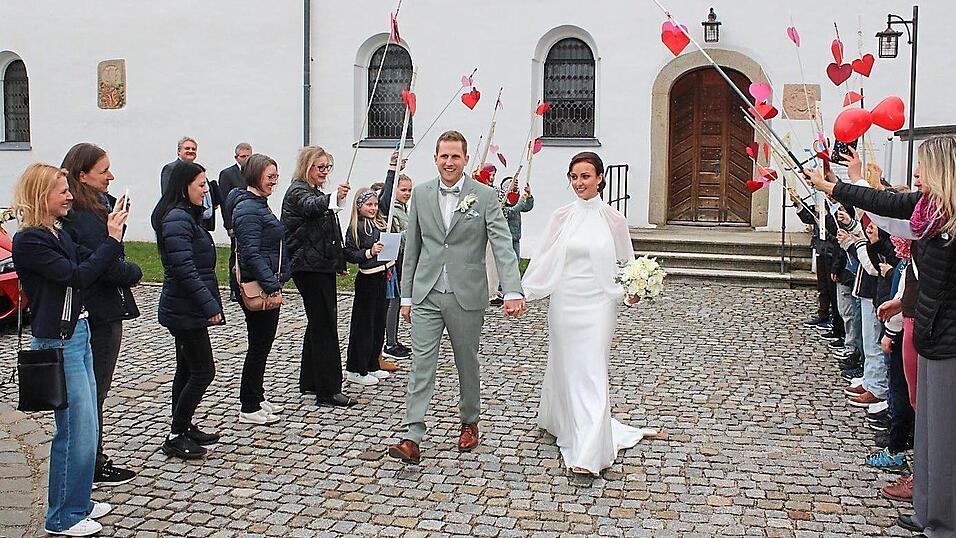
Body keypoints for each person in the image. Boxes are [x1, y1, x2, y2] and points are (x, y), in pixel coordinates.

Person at [808, 135, 956, 536]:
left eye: (924, 166)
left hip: (947, 338)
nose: (916, 174)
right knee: (928, 432)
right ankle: (928, 510)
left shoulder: (948, 222)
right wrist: (837, 186)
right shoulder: (928, 212)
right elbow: (885, 204)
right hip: (929, 332)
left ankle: (943, 522)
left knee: (943, 436)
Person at [387, 130, 525, 465]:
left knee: (467, 363)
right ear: (436, 159)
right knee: (421, 365)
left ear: (465, 159)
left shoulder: (484, 196)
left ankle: (469, 421)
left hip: (467, 295)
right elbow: (413, 250)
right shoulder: (420, 194)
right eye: (443, 156)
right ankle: (411, 435)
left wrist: (512, 289)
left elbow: (502, 244)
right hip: (427, 294)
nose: (449, 162)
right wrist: (406, 297)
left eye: (455, 156)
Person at [521, 152, 656, 476]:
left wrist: (635, 288)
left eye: (585, 176)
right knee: (567, 367)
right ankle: (565, 422)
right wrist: (524, 291)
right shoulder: (561, 216)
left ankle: (590, 450)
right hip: (566, 301)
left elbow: (627, 262)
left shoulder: (614, 220)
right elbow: (543, 258)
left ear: (599, 178)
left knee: (592, 369)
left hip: (599, 304)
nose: (579, 183)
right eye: (574, 177)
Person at [12, 163, 129, 536]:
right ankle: (62, 516)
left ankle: (79, 500)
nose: (69, 197)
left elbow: (93, 262)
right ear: (40, 195)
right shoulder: (30, 239)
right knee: (74, 431)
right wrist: (110, 240)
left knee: (88, 425)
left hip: (78, 334)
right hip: (57, 341)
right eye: (62, 191)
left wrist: (110, 240)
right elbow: (79, 274)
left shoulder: (57, 231)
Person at [60, 143, 142, 487]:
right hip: (98, 310)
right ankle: (90, 463)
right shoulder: (85, 216)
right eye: (103, 171)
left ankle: (92, 459)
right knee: (93, 392)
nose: (111, 176)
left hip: (101, 308)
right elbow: (105, 264)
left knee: (95, 391)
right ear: (83, 176)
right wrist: (133, 271)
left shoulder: (95, 209)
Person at [152, 161, 224, 460]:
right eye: (201, 184)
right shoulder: (177, 220)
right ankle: (176, 434)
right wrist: (209, 305)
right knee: (203, 371)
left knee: (186, 368)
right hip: (184, 307)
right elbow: (185, 270)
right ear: (185, 187)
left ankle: (182, 426)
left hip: (187, 306)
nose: (206, 190)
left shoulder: (186, 217)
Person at [281, 146, 357, 408]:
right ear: (307, 167)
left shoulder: (312, 191)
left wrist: (338, 262)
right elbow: (311, 207)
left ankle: (311, 381)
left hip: (319, 264)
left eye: (327, 167)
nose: (325, 172)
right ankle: (328, 389)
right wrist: (334, 197)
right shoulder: (299, 191)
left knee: (318, 323)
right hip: (309, 266)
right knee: (325, 325)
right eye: (320, 167)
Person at [227, 154, 290, 424]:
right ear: (255, 176)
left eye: (276, 176)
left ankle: (257, 395)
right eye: (269, 177)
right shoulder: (248, 209)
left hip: (267, 279)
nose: (274, 181)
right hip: (257, 285)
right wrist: (272, 285)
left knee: (262, 345)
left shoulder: (259, 205)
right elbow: (250, 253)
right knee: (258, 345)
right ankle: (249, 405)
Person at [343, 188, 396, 385]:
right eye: (369, 205)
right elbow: (349, 253)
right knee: (363, 325)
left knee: (378, 322)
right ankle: (356, 368)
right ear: (359, 206)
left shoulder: (379, 222)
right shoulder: (356, 228)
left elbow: (387, 196)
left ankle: (373, 361)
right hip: (367, 279)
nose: (373, 208)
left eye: (375, 205)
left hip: (383, 275)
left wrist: (393, 168)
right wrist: (369, 252)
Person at [380, 166, 413, 361]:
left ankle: (394, 338)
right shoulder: (391, 209)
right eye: (403, 190)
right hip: (393, 259)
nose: (407, 193)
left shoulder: (405, 210)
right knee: (393, 301)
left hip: (403, 259)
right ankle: (389, 342)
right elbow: (396, 235)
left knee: (398, 299)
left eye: (409, 190)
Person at [160, 136, 221, 231]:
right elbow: (169, 194)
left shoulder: (197, 169)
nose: (191, 151)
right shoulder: (170, 169)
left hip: (199, 220)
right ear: (179, 151)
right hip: (181, 219)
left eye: (194, 149)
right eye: (187, 148)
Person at [219, 142, 253, 299]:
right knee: (236, 253)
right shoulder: (227, 174)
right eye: (243, 156)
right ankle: (234, 287)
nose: (246, 159)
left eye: (249, 156)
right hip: (235, 220)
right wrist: (229, 225)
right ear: (236, 157)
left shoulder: (254, 172)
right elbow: (225, 202)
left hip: (251, 219)